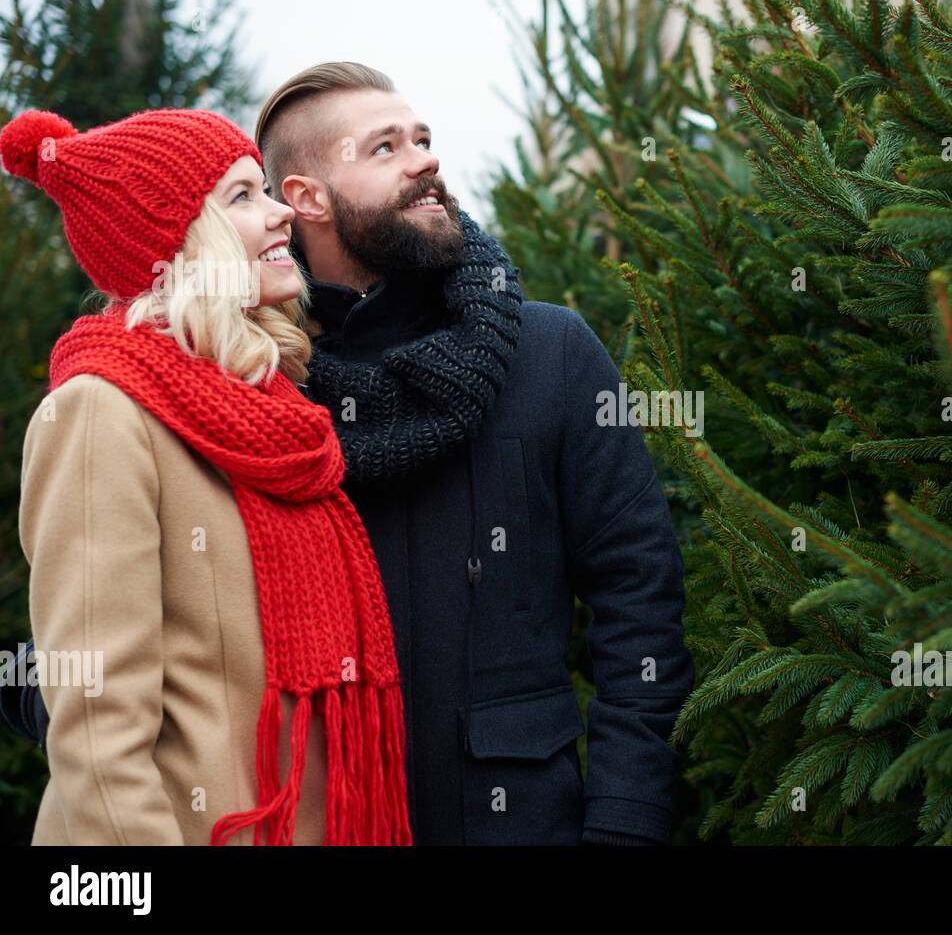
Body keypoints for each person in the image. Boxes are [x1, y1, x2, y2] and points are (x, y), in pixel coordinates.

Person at [7, 61, 698, 846]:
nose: (425, 158)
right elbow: (109, 644)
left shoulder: (549, 354)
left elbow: (641, 602)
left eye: (425, 139)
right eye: (385, 147)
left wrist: (624, 828)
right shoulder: (249, 397)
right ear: (305, 199)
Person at [0, 107, 411, 845]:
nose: (282, 212)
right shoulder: (102, 414)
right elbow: (98, 735)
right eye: (243, 196)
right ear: (181, 241)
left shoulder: (276, 412)